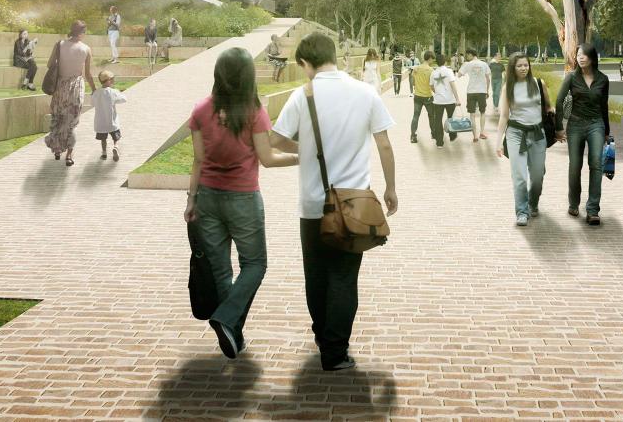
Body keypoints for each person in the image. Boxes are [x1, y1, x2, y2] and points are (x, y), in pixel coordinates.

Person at [269, 33, 397, 372]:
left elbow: (276, 139)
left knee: (316, 275)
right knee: (343, 276)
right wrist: (391, 188)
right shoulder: (365, 92)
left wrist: (306, 151)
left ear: (306, 63)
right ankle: (335, 351)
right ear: (334, 56)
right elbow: (384, 144)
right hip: (354, 203)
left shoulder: (302, 95)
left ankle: (323, 337)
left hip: (313, 204)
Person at [183, 48, 299, 358]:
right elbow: (268, 158)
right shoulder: (253, 111)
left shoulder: (201, 110)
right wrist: (304, 158)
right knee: (255, 264)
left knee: (221, 270)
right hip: (243, 199)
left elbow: (197, 160)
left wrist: (191, 200)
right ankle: (226, 319)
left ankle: (232, 333)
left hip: (206, 197)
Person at [558, 44, 611, 225]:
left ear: (592, 57)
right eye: (578, 55)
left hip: (596, 123)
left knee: (596, 163)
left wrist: (607, 132)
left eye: (584, 55)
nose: (580, 58)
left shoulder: (603, 79)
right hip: (575, 124)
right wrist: (558, 127)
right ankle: (573, 203)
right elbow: (558, 102)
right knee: (575, 165)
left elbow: (604, 106)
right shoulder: (571, 77)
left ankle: (593, 209)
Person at [495, 53, 549, 226]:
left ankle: (533, 203)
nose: (524, 68)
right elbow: (504, 116)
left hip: (538, 134)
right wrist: (498, 142)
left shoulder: (538, 83)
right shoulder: (507, 88)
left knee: (538, 176)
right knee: (520, 177)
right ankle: (521, 211)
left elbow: (548, 107)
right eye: (519, 66)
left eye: (526, 65)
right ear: (513, 68)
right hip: (516, 134)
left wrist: (557, 126)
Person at [45, 21, 97, 167]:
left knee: (58, 118)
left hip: (60, 87)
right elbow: (88, 74)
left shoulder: (59, 44)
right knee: (71, 123)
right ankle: (69, 155)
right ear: (82, 33)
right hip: (75, 87)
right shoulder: (86, 49)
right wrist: (94, 89)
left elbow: (50, 65)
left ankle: (57, 150)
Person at [91, 69, 126, 161]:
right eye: (113, 79)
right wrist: (119, 92)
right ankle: (115, 147)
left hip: (101, 123)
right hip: (112, 121)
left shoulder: (96, 93)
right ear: (109, 80)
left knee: (103, 139)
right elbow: (123, 100)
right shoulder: (113, 91)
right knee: (116, 137)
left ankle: (104, 153)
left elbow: (92, 103)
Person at [457, 49, 492, 139]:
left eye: (467, 55)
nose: (467, 57)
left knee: (472, 114)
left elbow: (459, 75)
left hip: (471, 91)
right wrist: (487, 91)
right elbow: (488, 79)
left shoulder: (467, 64)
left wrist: (464, 66)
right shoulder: (484, 64)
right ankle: (482, 132)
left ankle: (475, 136)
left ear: (470, 55)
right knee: (482, 112)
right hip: (481, 91)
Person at [408, 51, 439, 145]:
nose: (433, 61)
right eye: (432, 59)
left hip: (417, 96)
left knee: (415, 116)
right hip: (428, 97)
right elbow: (432, 85)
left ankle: (413, 136)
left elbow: (413, 83)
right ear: (429, 58)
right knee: (432, 116)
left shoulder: (416, 68)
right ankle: (433, 134)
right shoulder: (431, 70)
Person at [430, 54, 460, 142]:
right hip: (450, 100)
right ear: (445, 62)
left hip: (438, 101)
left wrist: (438, 92)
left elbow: (431, 86)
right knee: (451, 118)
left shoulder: (433, 72)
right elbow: (453, 85)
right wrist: (457, 98)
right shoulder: (449, 71)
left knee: (438, 120)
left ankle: (439, 141)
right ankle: (452, 136)